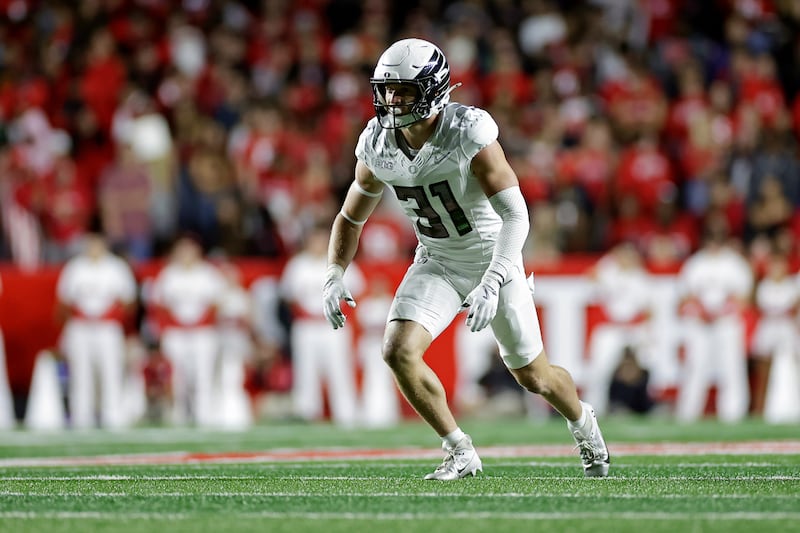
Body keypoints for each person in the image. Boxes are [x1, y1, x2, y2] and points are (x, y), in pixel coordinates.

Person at [322, 38, 609, 480]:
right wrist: (335, 272)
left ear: (434, 90)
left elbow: (516, 214)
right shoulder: (376, 143)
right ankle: (459, 450)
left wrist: (494, 278)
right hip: (436, 259)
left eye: (405, 91)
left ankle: (582, 422)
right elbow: (349, 216)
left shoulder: (468, 131)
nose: (393, 101)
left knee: (535, 377)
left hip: (494, 257)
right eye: (387, 89)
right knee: (398, 351)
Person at [282, 224, 364, 427]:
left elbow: (357, 292)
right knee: (306, 370)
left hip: (334, 326)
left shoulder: (341, 263)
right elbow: (288, 297)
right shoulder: (297, 265)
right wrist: (306, 313)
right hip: (306, 326)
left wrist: (336, 312)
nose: (317, 244)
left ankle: (347, 415)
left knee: (339, 369)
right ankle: (307, 413)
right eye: (313, 240)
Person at [675, 213, 753, 422]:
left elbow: (744, 297)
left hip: (726, 322)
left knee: (731, 367)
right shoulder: (695, 264)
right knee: (696, 366)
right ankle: (688, 414)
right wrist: (702, 311)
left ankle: (733, 414)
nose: (714, 240)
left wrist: (720, 312)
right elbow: (685, 297)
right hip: (699, 323)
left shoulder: (735, 263)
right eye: (711, 235)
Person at [55, 232, 137, 429]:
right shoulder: (75, 267)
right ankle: (82, 416)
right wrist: (81, 317)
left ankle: (113, 415)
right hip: (81, 328)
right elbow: (63, 301)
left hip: (108, 328)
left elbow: (129, 301)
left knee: (111, 370)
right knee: (81, 372)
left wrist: (108, 316)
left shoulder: (117, 267)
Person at [584, 241, 653, 416]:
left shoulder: (641, 277)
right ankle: (593, 410)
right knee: (599, 370)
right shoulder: (609, 271)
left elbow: (649, 309)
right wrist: (611, 261)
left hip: (634, 328)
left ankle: (650, 403)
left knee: (650, 361)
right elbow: (590, 276)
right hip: (611, 328)